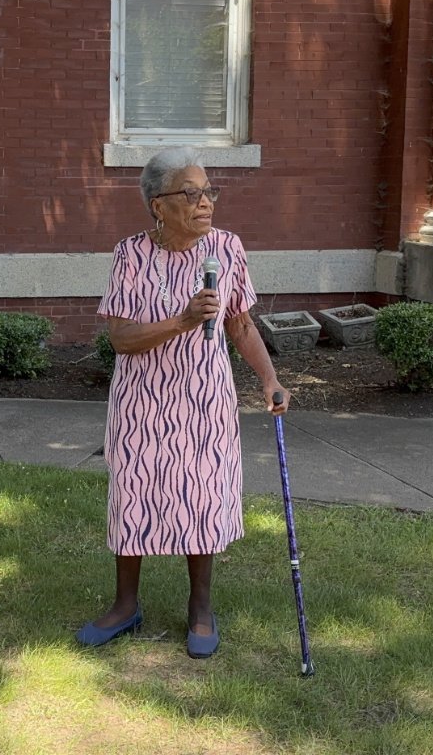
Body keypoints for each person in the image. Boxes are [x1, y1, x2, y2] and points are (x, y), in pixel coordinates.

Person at [78, 147, 289, 659]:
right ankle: (126, 605)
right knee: (134, 495)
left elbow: (239, 322)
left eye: (208, 192)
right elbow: (122, 338)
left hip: (204, 399)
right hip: (142, 402)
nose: (204, 203)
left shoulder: (228, 249)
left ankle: (200, 607)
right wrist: (182, 320)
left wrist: (269, 379)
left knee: (202, 494)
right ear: (158, 204)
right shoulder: (129, 254)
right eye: (190, 194)